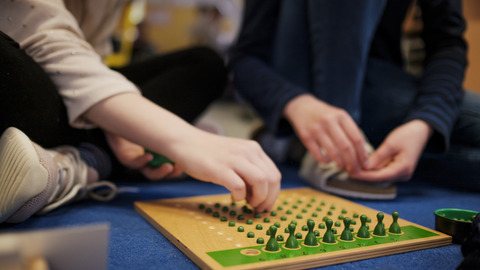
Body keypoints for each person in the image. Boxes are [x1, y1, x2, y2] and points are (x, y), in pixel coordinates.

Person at [0, 0, 280, 224]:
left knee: (205, 64)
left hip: (59, 84)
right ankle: (90, 161)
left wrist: (120, 122)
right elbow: (43, 41)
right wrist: (184, 138)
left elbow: (88, 58)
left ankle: (88, 157)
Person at [229, 0, 480, 197]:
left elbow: (447, 44)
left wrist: (426, 123)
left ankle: (308, 144)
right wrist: (295, 104)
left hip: (378, 85)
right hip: (301, 88)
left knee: (439, 146)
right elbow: (244, 60)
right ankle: (321, 140)